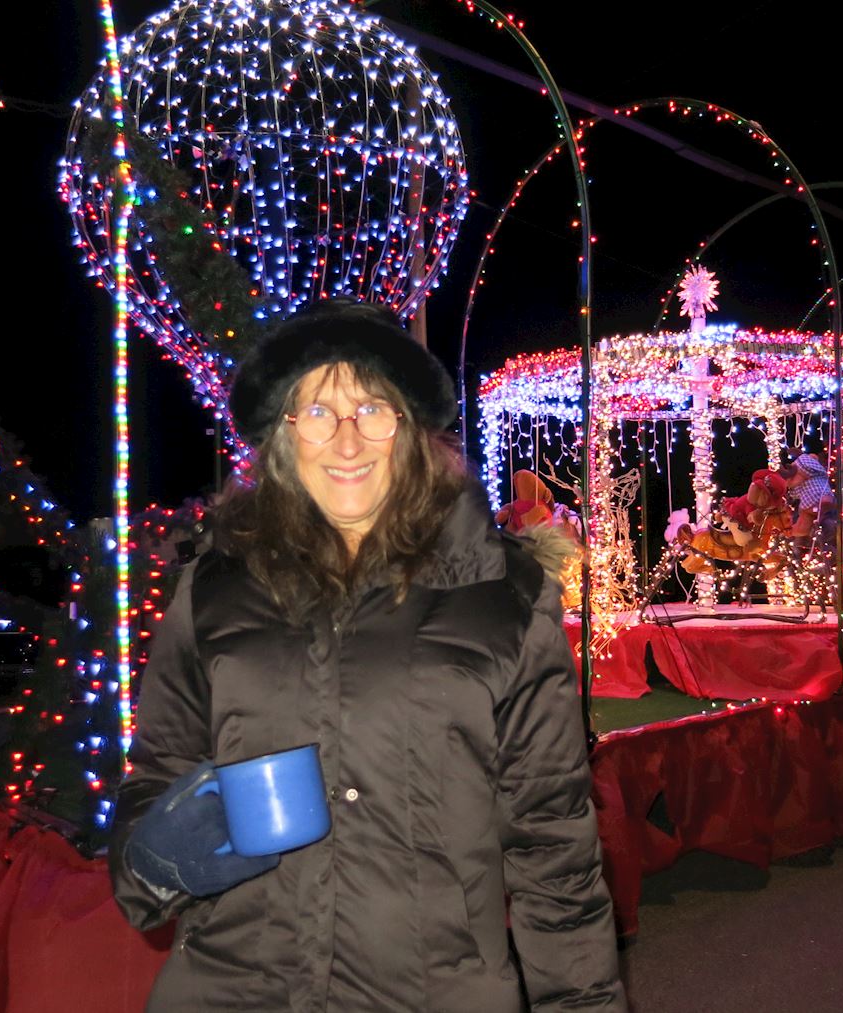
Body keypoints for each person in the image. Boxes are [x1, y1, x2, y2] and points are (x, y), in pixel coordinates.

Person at [108, 298, 626, 1012]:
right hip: (232, 990)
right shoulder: (214, 588)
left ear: (408, 427)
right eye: (319, 412)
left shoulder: (501, 594)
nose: (347, 441)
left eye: (373, 409)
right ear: (285, 433)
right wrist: (157, 859)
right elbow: (156, 772)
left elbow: (554, 843)